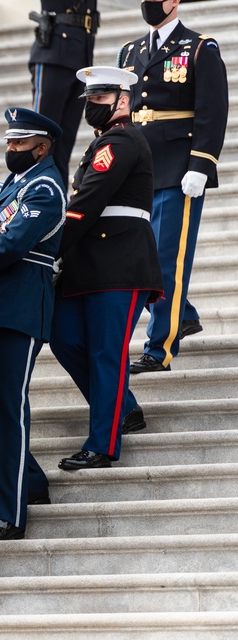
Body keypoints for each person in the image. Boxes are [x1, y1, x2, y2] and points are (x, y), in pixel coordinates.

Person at [0, 108, 65, 542]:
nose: (10, 150)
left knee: (7, 408)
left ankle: (11, 513)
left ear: (41, 146)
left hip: (19, 310)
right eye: (8, 142)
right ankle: (31, 480)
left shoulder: (46, 187)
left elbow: (9, 246)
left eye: (18, 144)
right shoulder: (16, 183)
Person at [53, 67, 163, 471]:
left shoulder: (121, 140)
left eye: (101, 101)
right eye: (90, 101)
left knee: (106, 354)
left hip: (119, 263)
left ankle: (102, 443)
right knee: (63, 338)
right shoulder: (102, 143)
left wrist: (47, 248)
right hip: (88, 265)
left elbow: (84, 206)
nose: (93, 108)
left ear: (124, 101)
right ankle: (124, 408)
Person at [118, 0, 228, 373]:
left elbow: (213, 110)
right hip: (136, 168)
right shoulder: (129, 51)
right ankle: (182, 312)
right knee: (140, 259)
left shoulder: (199, 47)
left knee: (165, 259)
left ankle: (159, 348)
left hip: (177, 167)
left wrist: (201, 163)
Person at [28, 0, 100, 185]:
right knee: (41, 138)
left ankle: (55, 199)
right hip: (54, 51)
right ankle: (34, 194)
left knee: (64, 144)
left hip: (81, 53)